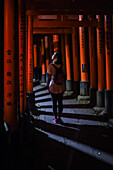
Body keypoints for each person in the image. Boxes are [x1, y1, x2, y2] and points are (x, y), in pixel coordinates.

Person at [47, 51, 66, 123]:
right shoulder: (62, 65)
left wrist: (47, 85)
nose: (52, 55)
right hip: (61, 86)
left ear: (55, 57)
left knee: (54, 103)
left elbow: (49, 77)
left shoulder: (51, 66)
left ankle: (55, 118)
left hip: (53, 86)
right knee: (60, 102)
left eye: (53, 54)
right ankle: (59, 117)